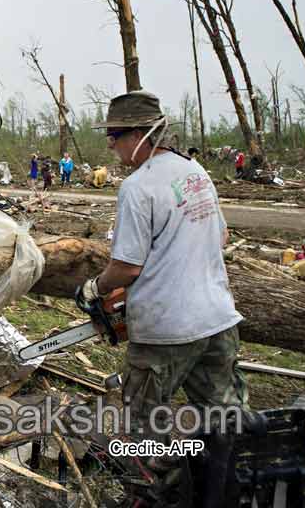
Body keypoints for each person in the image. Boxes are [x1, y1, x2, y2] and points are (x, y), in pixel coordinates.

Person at [82, 91, 247, 501]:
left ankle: (152, 494)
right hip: (218, 320)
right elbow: (221, 234)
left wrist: (95, 287)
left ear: (141, 134)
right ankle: (226, 490)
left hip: (166, 331)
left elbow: (127, 267)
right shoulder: (195, 172)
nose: (111, 143)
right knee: (223, 419)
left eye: (116, 134)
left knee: (144, 424)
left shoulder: (138, 187)